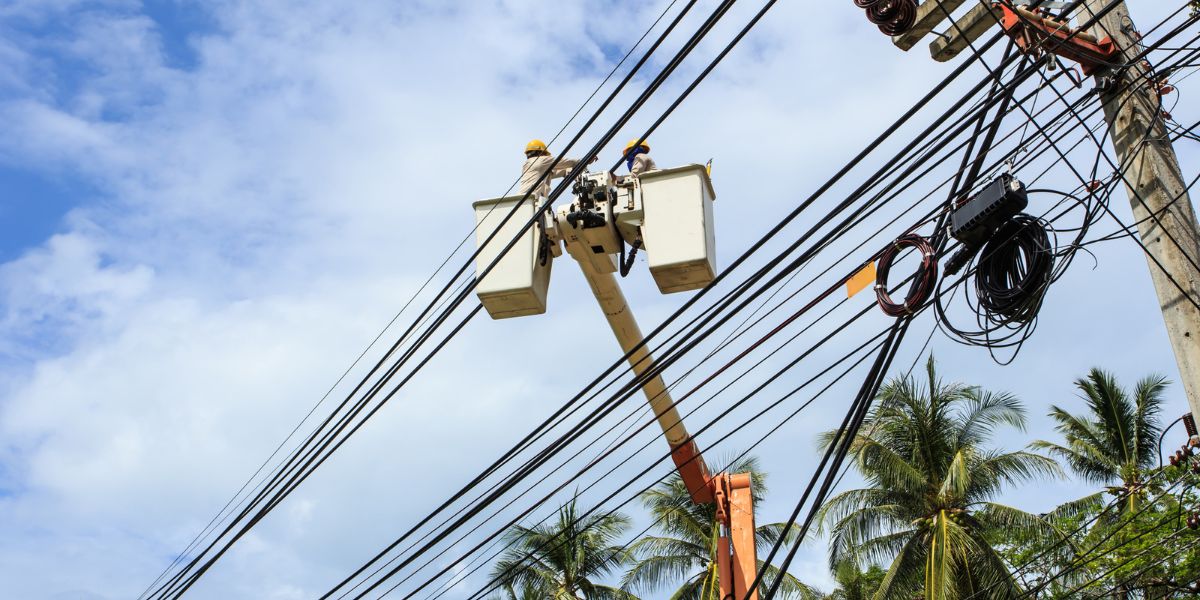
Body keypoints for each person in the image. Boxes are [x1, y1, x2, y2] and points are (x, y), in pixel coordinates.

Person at [519, 139, 590, 199]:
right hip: (532, 199)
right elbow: (569, 162)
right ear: (540, 152)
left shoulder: (527, 165)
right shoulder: (542, 160)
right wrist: (587, 160)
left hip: (522, 200)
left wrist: (571, 172)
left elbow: (556, 172)